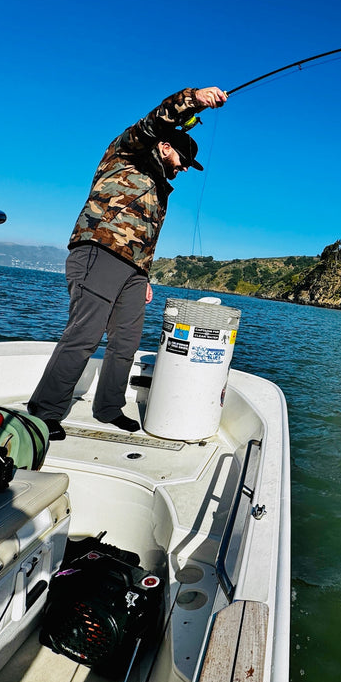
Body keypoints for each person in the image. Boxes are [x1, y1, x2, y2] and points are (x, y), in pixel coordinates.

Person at [28, 86, 228, 438]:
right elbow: (155, 122)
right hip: (99, 252)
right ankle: (44, 412)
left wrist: (144, 273)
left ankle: (108, 408)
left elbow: (144, 236)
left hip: (134, 271)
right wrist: (193, 100)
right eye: (183, 161)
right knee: (85, 336)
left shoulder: (161, 186)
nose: (183, 170)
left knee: (126, 342)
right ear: (166, 146)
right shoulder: (126, 152)